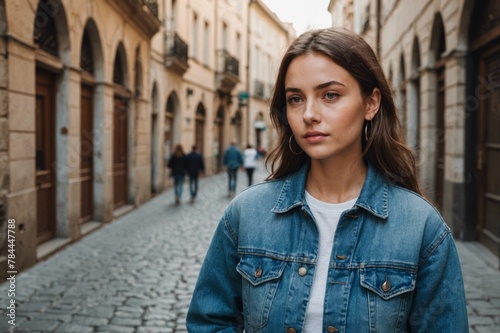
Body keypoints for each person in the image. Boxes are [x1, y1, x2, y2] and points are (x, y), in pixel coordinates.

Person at [186, 28, 468, 332]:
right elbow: (210, 321)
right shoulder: (247, 214)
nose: (309, 114)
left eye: (330, 95)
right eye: (295, 99)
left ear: (371, 103)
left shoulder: (421, 227)